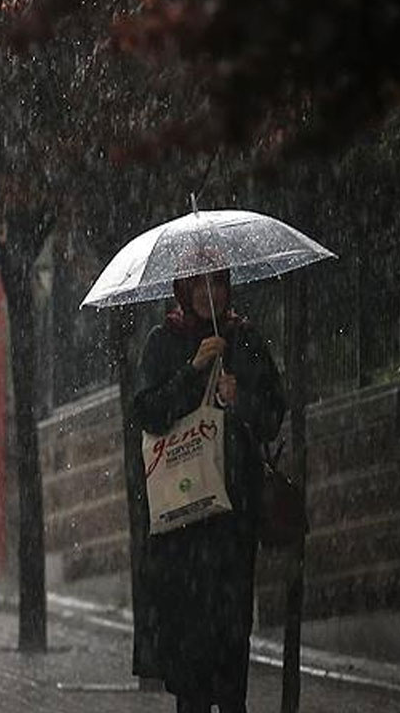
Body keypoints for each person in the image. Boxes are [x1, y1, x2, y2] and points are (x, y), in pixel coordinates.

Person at [133, 269, 285, 713]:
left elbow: (273, 416)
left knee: (233, 642)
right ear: (183, 290)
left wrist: (240, 401)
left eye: (216, 283)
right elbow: (147, 412)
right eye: (198, 285)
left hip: (232, 521)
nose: (208, 294)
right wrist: (193, 370)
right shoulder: (164, 342)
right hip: (183, 523)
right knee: (191, 660)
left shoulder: (246, 339)